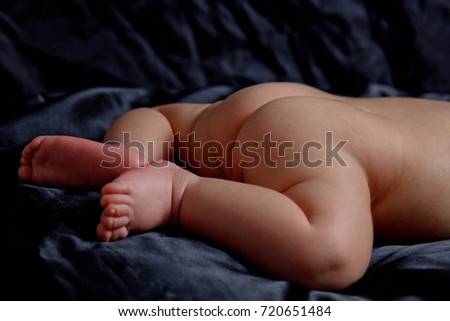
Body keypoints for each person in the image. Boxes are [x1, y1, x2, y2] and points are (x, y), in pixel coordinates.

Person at [17, 82, 450, 291]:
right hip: (324, 140)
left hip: (267, 102)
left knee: (168, 118)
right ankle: (179, 191)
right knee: (331, 255)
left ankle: (127, 155)